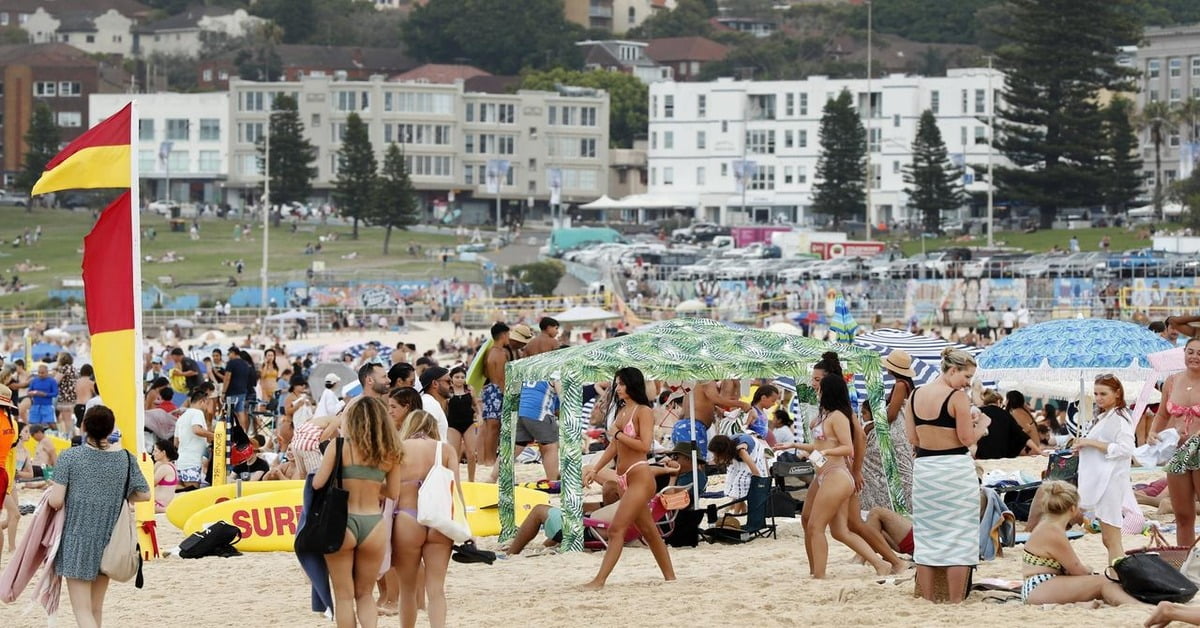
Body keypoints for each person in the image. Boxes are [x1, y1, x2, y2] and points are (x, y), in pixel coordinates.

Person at [47, 405, 151, 628]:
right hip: (109, 540)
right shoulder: (126, 458)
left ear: (83, 426)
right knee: (95, 609)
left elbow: (56, 500)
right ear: (111, 429)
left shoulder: (69, 457)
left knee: (82, 611)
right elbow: (144, 494)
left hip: (77, 541)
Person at [905, 347, 987, 603]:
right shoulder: (956, 397)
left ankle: (928, 600)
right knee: (960, 537)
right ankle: (954, 601)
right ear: (952, 370)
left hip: (926, 470)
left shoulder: (916, 394)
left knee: (927, 538)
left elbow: (912, 437)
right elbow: (966, 439)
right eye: (966, 377)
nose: (967, 383)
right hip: (954, 470)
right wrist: (982, 426)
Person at [581, 367, 675, 589]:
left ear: (632, 384)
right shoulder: (622, 411)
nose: (617, 388)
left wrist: (619, 434)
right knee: (650, 532)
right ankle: (670, 577)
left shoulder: (643, 411)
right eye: (617, 384)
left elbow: (644, 445)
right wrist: (596, 468)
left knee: (616, 530)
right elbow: (614, 446)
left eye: (621, 384)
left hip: (640, 476)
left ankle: (599, 580)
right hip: (625, 478)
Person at [795, 372, 896, 578]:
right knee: (840, 531)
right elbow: (819, 446)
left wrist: (828, 454)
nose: (815, 388)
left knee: (815, 526)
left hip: (837, 474)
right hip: (827, 472)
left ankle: (819, 575)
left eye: (818, 383)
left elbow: (848, 447)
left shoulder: (839, 416)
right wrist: (795, 445)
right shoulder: (827, 415)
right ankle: (881, 564)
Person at [313, 397, 402, 628]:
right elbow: (393, 492)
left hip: (343, 521)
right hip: (373, 524)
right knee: (365, 595)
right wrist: (370, 482)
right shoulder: (391, 451)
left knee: (343, 596)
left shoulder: (339, 445)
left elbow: (318, 483)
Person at [1020, 481, 1140, 606]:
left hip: (1037, 585)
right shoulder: (1054, 532)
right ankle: (1136, 606)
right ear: (1072, 509)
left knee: (1098, 585)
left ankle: (1094, 604)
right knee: (1104, 583)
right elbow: (1077, 569)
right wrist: (1089, 570)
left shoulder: (1046, 526)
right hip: (1039, 587)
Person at [393, 408, 459, 628]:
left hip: (407, 517)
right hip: (439, 518)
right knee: (437, 590)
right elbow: (456, 493)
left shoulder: (397, 449)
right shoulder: (446, 449)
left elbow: (390, 491)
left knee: (408, 589)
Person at [1076, 374, 1136, 564]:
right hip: (1103, 478)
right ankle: (1115, 572)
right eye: (1096, 393)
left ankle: (1118, 573)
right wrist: (1085, 447)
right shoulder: (1106, 416)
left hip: (1110, 480)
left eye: (1103, 393)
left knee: (1112, 536)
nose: (1099, 398)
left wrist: (1090, 443)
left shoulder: (1120, 417)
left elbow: (1126, 449)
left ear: (1117, 393)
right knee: (1108, 537)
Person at [1150, 337, 1200, 546]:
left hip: (1199, 450)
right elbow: (1162, 414)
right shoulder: (1172, 381)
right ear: (1184, 353)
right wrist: (1153, 432)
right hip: (1177, 451)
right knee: (1182, 515)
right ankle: (1186, 561)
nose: (1195, 357)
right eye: (1191, 352)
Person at [861, 350, 917, 512]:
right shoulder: (907, 384)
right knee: (903, 471)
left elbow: (891, 414)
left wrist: (872, 425)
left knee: (896, 470)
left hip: (896, 431)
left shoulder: (900, 385)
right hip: (903, 429)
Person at [480, 322, 516, 467]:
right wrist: (507, 394)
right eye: (508, 334)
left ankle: (488, 458)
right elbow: (502, 377)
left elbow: (485, 373)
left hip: (489, 390)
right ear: (503, 335)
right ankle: (490, 459)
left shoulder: (488, 352)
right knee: (494, 428)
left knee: (491, 427)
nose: (509, 337)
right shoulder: (501, 353)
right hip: (498, 390)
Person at [513, 378, 561, 482]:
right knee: (550, 447)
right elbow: (564, 399)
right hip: (539, 413)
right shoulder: (556, 371)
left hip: (521, 411)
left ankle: (492, 477)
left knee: (514, 447)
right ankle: (553, 480)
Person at [975, 389, 1041, 459]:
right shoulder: (1008, 414)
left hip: (982, 453)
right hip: (1001, 454)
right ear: (998, 401)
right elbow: (1021, 434)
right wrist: (1039, 451)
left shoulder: (978, 411)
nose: (1005, 403)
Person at [174, 387, 215, 489]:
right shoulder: (197, 413)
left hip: (180, 462)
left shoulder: (182, 417)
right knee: (193, 493)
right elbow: (196, 430)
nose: (206, 407)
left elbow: (176, 443)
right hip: (192, 462)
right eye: (206, 403)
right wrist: (214, 436)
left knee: (182, 496)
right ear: (202, 401)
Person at [446, 366, 480, 481]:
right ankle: (455, 480)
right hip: (452, 425)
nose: (460, 379)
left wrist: (479, 415)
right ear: (451, 378)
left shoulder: (469, 390)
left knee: (471, 453)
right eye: (457, 377)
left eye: (462, 377)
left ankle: (471, 479)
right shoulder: (448, 393)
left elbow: (475, 404)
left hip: (468, 423)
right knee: (455, 455)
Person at [223, 347, 253, 433]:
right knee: (241, 412)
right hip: (242, 392)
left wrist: (223, 392)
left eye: (229, 354)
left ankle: (229, 433)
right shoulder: (245, 364)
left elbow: (227, 378)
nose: (228, 356)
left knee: (229, 413)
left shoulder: (231, 363)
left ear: (233, 353)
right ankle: (242, 433)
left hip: (232, 392)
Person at [418, 366, 451, 443]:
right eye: (448, 381)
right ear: (435, 383)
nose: (452, 385)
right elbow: (428, 438)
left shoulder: (431, 402)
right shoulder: (429, 404)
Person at [1005, 390, 1041, 455]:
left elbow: (1026, 429)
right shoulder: (1023, 410)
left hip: (1030, 448)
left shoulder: (1016, 412)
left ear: (1009, 400)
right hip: (1035, 445)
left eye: (1006, 399)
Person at [27, 362, 59, 427]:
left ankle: (56, 434)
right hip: (36, 405)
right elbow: (29, 391)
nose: (40, 374)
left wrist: (45, 394)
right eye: (39, 373)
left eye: (42, 373)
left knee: (51, 423)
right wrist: (31, 393)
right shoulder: (34, 380)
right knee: (33, 424)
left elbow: (55, 393)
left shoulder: (52, 381)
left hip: (47, 405)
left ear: (47, 372)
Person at [153, 438, 179, 513]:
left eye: (155, 451)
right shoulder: (169, 465)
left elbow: (150, 485)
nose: (153, 453)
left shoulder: (165, 468)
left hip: (159, 505)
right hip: (161, 504)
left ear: (163, 452)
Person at [55, 352, 77, 436]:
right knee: (66, 418)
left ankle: (70, 437)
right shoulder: (73, 368)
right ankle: (73, 435)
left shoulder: (63, 369)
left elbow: (55, 381)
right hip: (72, 396)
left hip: (65, 397)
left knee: (66, 418)